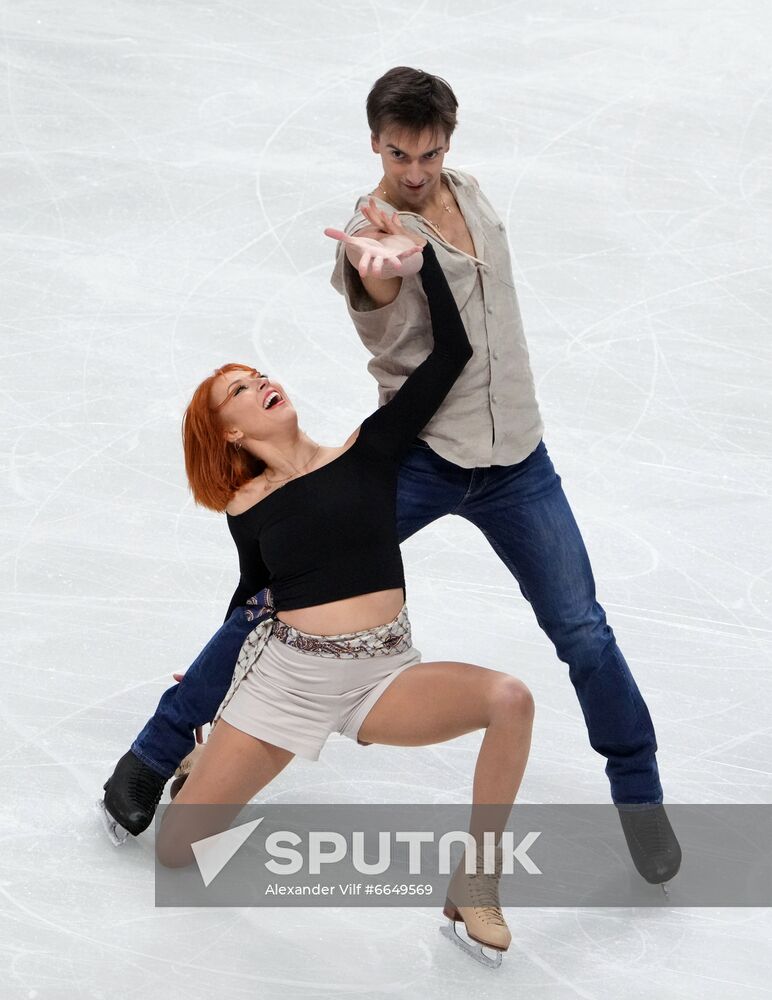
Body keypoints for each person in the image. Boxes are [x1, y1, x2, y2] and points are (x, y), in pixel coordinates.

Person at [101, 67, 680, 889]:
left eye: (431, 153)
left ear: (449, 141)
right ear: (376, 142)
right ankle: (156, 752)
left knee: (582, 629)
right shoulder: (369, 229)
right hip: (421, 460)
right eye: (400, 153)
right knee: (280, 594)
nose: (416, 171)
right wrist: (385, 266)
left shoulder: (470, 194)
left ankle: (640, 796)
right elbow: (374, 277)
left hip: (520, 463)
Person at [126, 241, 529, 966]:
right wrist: (202, 692)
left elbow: (454, 353)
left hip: (383, 674)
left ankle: (477, 880)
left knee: (509, 699)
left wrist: (420, 267)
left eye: (260, 375)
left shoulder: (369, 450)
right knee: (178, 851)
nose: (262, 384)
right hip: (285, 684)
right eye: (241, 391)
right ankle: (200, 759)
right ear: (232, 431)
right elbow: (250, 599)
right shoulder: (246, 504)